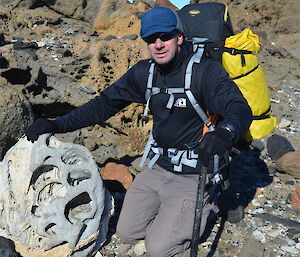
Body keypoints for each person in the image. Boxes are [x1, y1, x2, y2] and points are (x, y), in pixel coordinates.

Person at [26, 6, 252, 257]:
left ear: (179, 37)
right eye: (151, 39)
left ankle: (214, 196)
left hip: (195, 173)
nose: (158, 44)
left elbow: (238, 108)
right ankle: (174, 213)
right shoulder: (146, 73)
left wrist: (225, 132)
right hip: (159, 167)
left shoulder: (204, 72)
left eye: (165, 36)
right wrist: (57, 124)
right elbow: (103, 106)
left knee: (159, 248)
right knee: (128, 233)